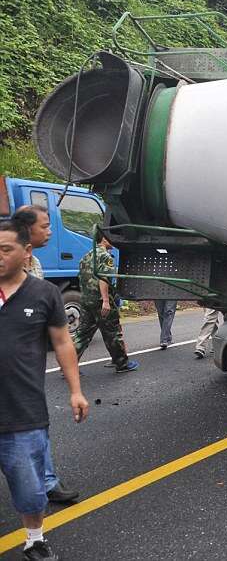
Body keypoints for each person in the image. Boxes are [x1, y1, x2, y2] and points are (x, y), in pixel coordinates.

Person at [0, 213, 90, 561]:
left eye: (6, 249)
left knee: (30, 488)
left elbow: (63, 342)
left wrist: (76, 390)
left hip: (23, 412)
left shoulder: (45, 293)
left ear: (25, 253)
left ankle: (34, 539)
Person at [14, 206, 80, 505]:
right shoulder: (9, 268)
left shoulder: (35, 264)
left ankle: (46, 481)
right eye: (45, 225)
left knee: (33, 427)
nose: (50, 231)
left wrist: (75, 389)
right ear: (28, 231)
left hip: (27, 367)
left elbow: (60, 337)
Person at [72, 230, 139, 373]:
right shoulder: (105, 257)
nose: (113, 241)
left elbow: (81, 278)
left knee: (82, 334)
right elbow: (104, 278)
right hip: (100, 301)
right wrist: (106, 301)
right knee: (112, 332)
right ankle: (121, 363)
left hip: (86, 300)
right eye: (111, 238)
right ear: (103, 239)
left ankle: (69, 365)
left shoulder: (86, 256)